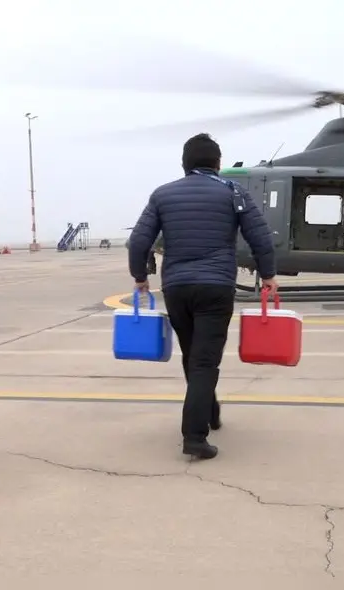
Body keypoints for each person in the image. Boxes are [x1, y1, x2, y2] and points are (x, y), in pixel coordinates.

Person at [127, 133, 277, 460]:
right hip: (215, 286)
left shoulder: (162, 195)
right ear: (218, 164)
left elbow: (138, 242)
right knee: (205, 359)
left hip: (177, 288)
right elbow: (260, 236)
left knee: (192, 354)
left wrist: (140, 277)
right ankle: (194, 436)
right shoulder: (233, 191)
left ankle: (209, 410)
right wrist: (268, 275)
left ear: (184, 164)